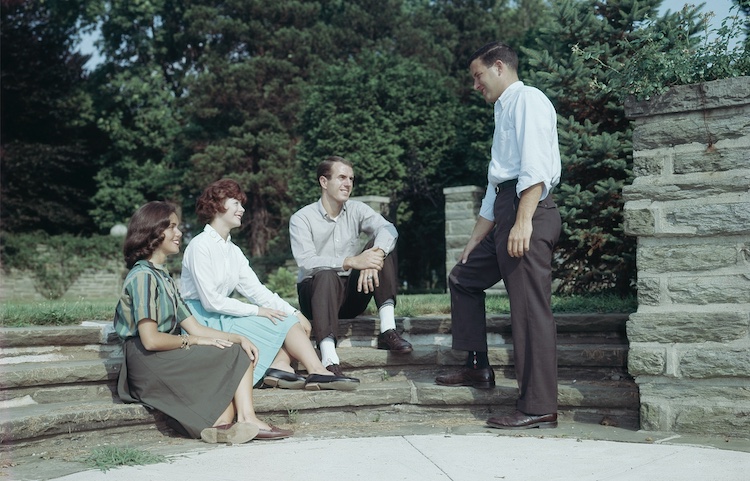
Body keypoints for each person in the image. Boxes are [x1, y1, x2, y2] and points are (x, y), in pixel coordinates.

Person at [435, 42, 562, 430]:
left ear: (500, 67)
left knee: (527, 308)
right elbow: (496, 184)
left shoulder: (528, 100)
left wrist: (524, 221)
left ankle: (538, 406)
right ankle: (477, 366)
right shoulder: (502, 110)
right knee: (463, 277)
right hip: (508, 209)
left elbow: (536, 167)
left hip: (529, 211)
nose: (476, 84)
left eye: (478, 76)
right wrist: (476, 239)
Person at [113, 201, 292, 444]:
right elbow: (151, 339)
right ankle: (245, 419)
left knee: (237, 352)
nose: (179, 233)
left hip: (163, 354)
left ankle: (224, 424)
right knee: (233, 357)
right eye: (173, 227)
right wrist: (194, 341)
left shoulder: (162, 277)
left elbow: (195, 326)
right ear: (154, 231)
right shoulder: (143, 277)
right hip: (147, 360)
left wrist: (236, 337)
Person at [181, 179, 359, 391]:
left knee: (286, 318)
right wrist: (259, 311)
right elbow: (211, 302)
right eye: (236, 203)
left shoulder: (233, 251)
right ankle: (317, 371)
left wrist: (294, 312)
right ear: (217, 204)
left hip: (221, 315)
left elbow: (257, 291)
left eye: (241, 203)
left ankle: (279, 366)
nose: (242, 209)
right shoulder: (199, 245)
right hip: (201, 321)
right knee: (280, 322)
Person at [289, 155, 412, 377]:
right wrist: (351, 261)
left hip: (351, 295)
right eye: (342, 177)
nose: (348, 184)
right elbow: (306, 261)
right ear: (324, 182)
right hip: (315, 295)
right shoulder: (302, 218)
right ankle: (328, 357)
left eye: (351, 179)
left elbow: (389, 229)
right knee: (326, 273)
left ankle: (388, 330)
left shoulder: (357, 209)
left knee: (380, 246)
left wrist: (375, 255)